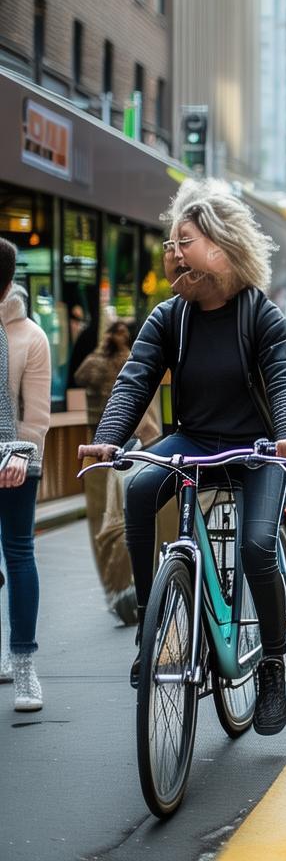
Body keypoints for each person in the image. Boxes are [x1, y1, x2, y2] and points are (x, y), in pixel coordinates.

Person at [78, 179, 286, 735]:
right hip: (195, 440)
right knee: (136, 489)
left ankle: (272, 666)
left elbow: (285, 380)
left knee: (255, 546)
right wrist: (110, 437)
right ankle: (152, 629)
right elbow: (135, 380)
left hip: (258, 451)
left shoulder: (260, 315)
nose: (173, 253)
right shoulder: (168, 318)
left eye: (185, 241)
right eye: (171, 243)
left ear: (223, 248)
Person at [0, 239, 51, 711]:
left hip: (16, 463)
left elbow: (35, 415)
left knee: (18, 554)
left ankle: (24, 667)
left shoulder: (30, 336)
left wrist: (21, 454)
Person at [74, 321, 149, 623]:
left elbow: (80, 377)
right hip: (125, 443)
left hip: (98, 442)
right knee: (116, 519)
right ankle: (122, 586)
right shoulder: (128, 359)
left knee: (104, 524)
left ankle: (115, 586)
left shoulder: (96, 361)